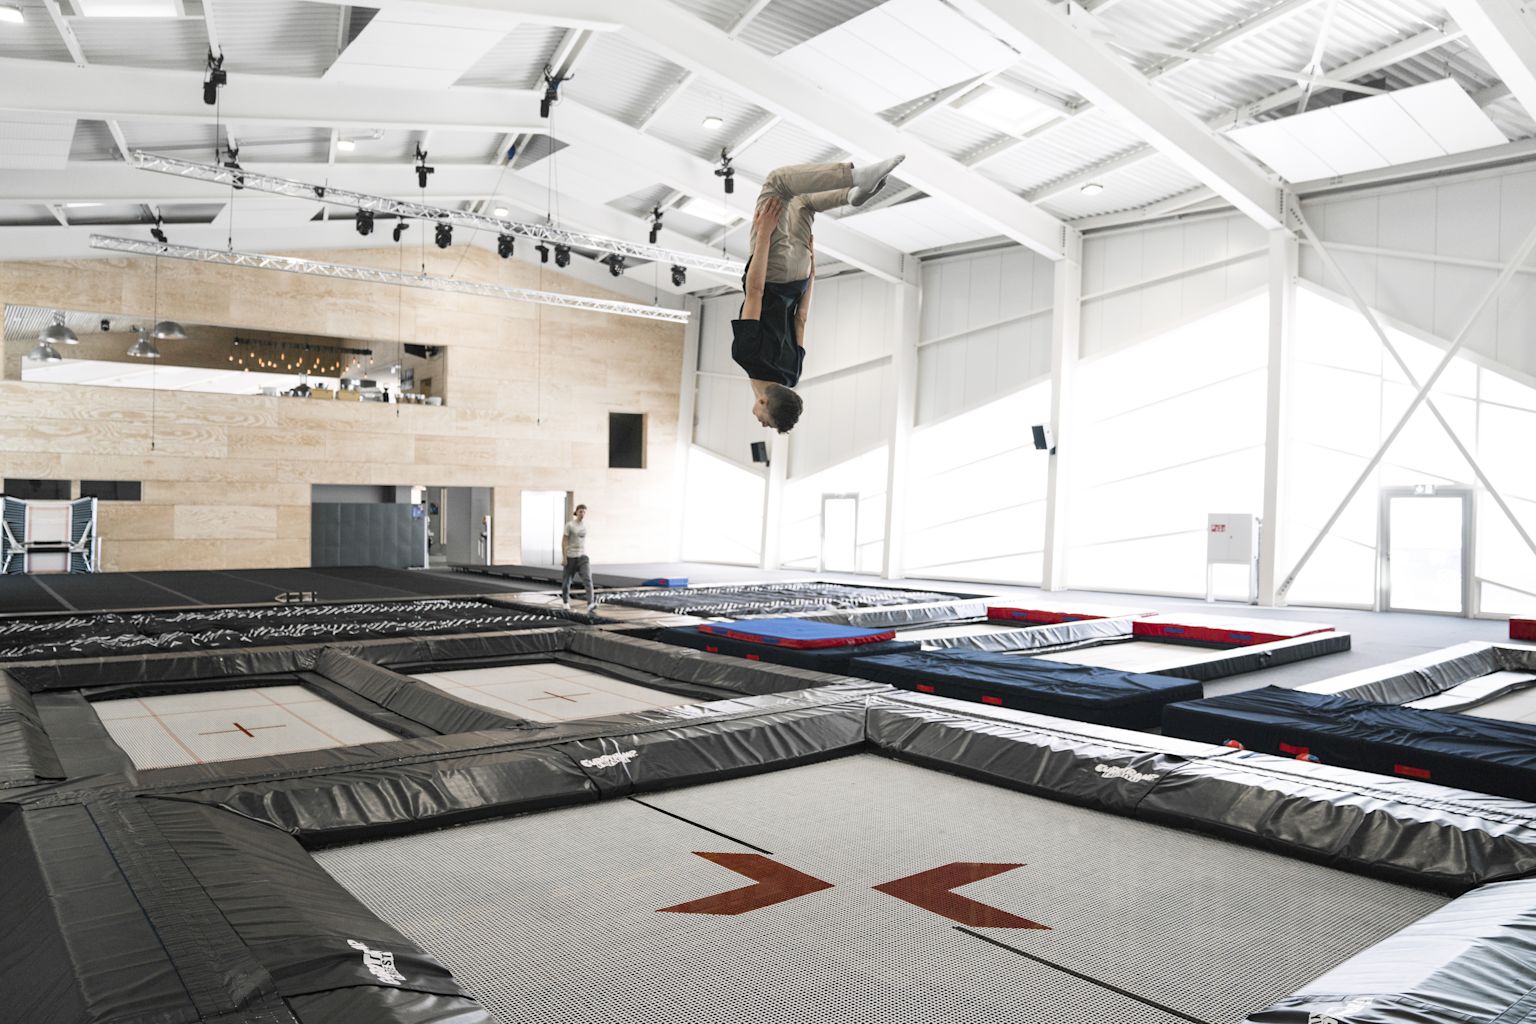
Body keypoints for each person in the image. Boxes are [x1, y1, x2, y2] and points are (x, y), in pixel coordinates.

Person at [733, 156, 905, 433]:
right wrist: (763, 235)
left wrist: (811, 273)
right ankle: (856, 177)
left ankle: (853, 195)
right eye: (766, 421)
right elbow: (755, 292)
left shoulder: (793, 374)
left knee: (803, 203)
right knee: (778, 182)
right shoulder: (747, 357)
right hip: (771, 272)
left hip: (800, 276)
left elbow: (801, 318)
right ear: (763, 402)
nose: (762, 424)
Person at [560, 503, 594, 614]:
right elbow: (564, 541)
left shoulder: (586, 525)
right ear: (576, 512)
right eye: (580, 512)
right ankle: (565, 601)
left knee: (588, 579)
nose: (582, 514)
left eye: (584, 512)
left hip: (583, 557)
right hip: (571, 557)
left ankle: (590, 603)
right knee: (567, 582)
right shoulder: (570, 525)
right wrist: (564, 557)